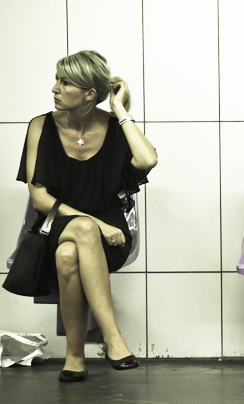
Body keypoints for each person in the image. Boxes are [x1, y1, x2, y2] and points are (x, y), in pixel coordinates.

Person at [17, 50, 158, 382]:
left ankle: (75, 357)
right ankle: (113, 338)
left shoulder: (114, 127)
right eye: (56, 79)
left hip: (112, 238)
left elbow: (147, 160)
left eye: (65, 83)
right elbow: (39, 198)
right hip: (58, 226)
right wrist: (95, 223)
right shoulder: (40, 126)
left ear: (90, 94)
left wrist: (120, 110)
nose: (55, 88)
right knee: (78, 231)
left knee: (69, 256)